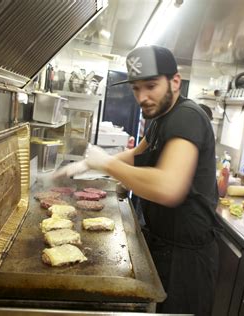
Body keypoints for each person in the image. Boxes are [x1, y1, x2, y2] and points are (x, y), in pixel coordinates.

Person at [54, 45, 220, 315]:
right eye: (136, 88)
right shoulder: (160, 118)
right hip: (162, 245)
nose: (142, 97)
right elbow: (135, 155)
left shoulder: (187, 117)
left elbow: (169, 187)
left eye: (151, 86)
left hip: (185, 262)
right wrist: (85, 165)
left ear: (175, 81)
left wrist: (106, 163)